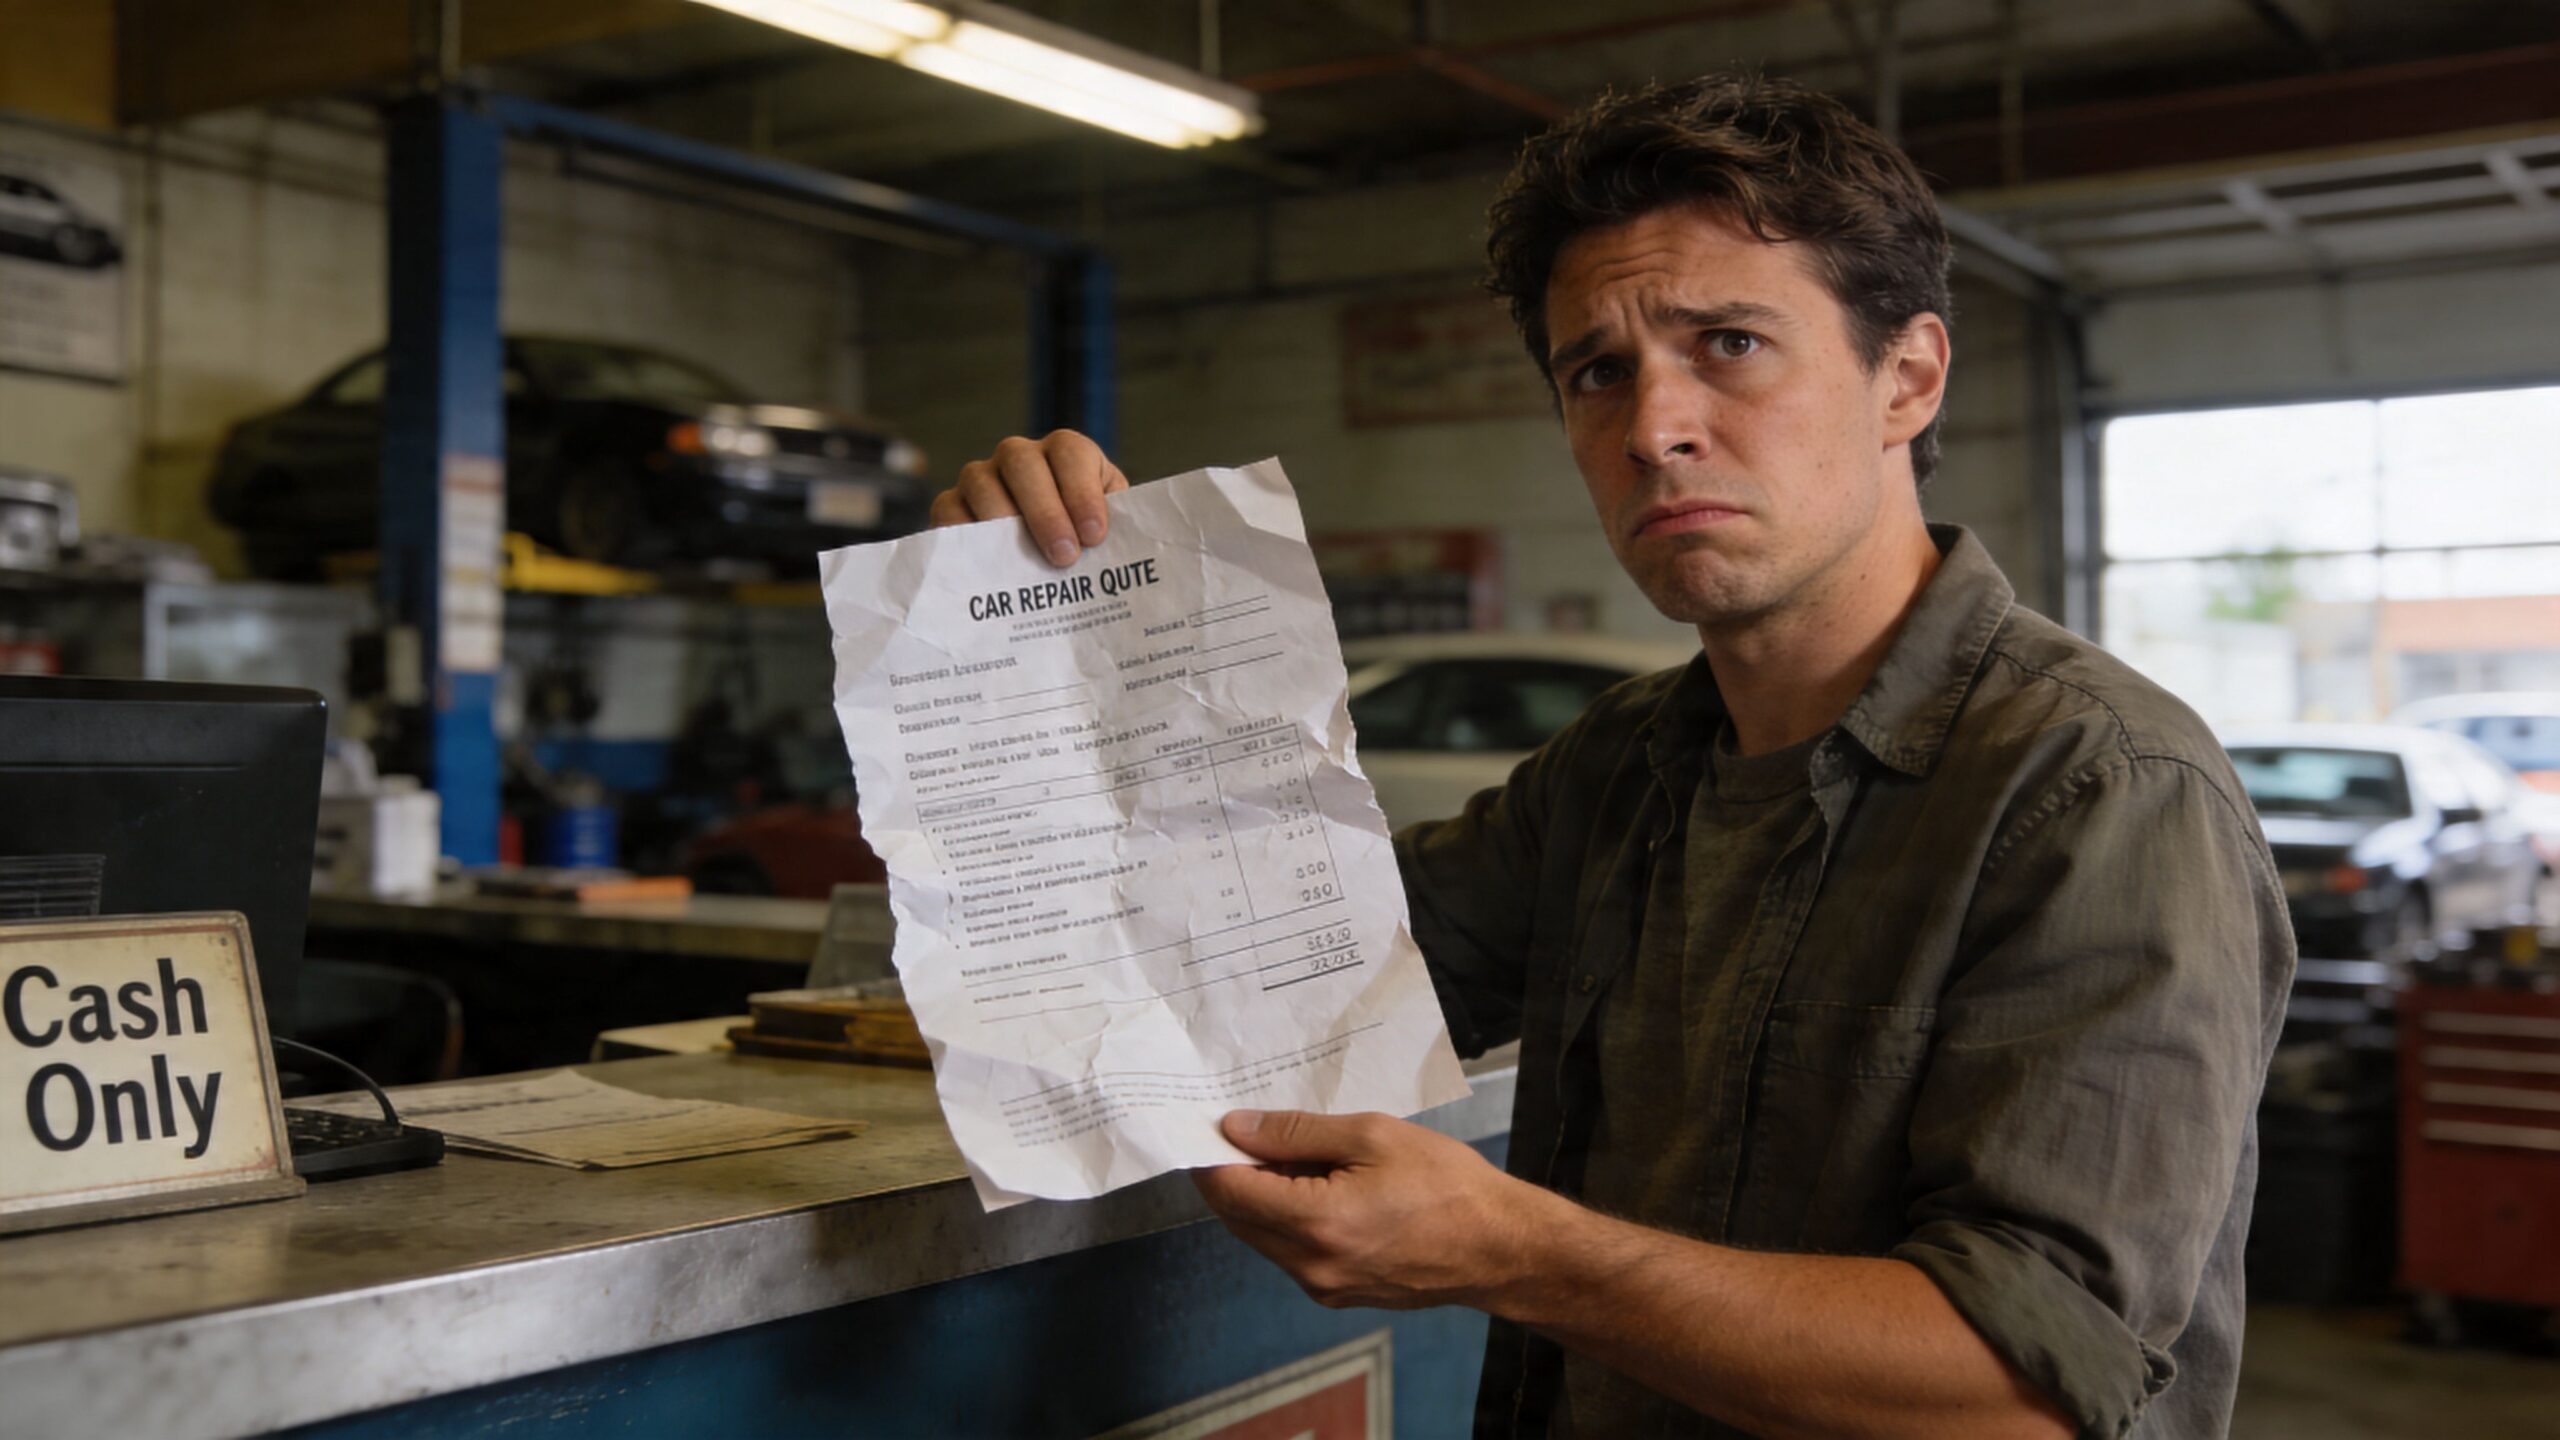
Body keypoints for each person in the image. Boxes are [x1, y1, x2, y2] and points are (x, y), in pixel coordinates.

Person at [928, 74, 2291, 1440]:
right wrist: (1047, 636)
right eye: (1599, 373)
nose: (1653, 428)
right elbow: (1249, 982)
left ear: (1908, 379)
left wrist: (1519, 1256)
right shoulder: (1623, 770)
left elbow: (2024, 1393)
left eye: (1732, 345)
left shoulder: (2100, 791)